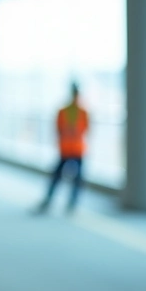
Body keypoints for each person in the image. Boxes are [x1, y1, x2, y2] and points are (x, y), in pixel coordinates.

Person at [36, 83, 89, 215]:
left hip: (77, 149)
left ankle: (72, 202)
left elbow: (85, 129)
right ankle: (49, 199)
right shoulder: (63, 111)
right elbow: (58, 129)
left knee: (77, 178)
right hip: (66, 149)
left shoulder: (83, 112)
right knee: (57, 175)